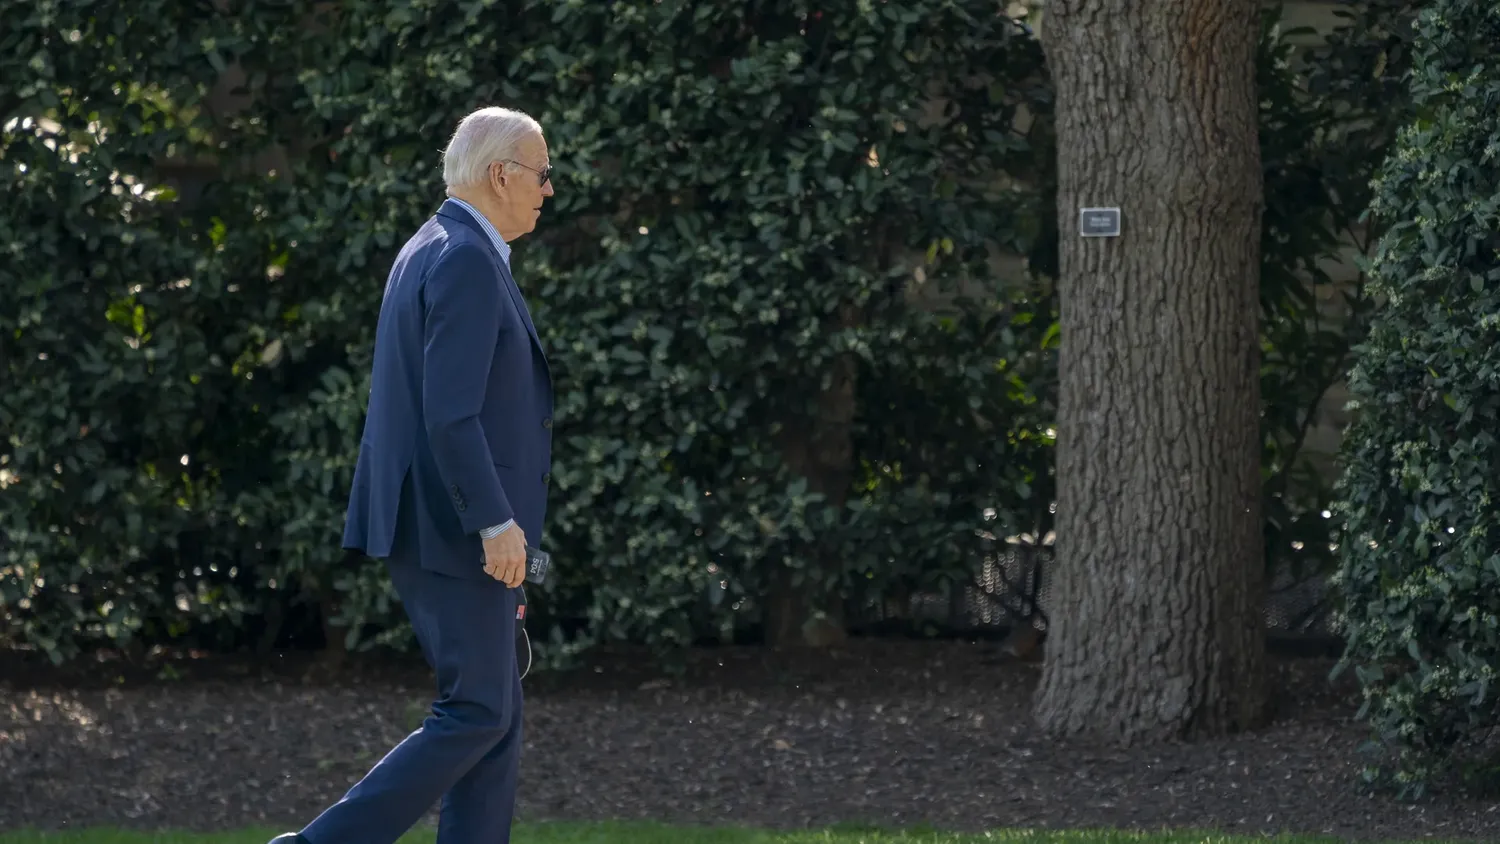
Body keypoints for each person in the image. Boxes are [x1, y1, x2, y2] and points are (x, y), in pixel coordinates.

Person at [269, 105, 555, 844]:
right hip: (456, 529)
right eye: (542, 174)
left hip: (438, 522)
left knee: (495, 716)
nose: (548, 190)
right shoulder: (462, 256)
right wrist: (494, 521)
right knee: (478, 711)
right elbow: (450, 414)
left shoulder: (434, 243)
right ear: (502, 174)